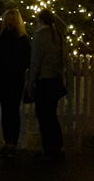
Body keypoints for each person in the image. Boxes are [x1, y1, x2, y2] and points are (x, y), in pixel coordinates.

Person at [27, 9, 66, 161]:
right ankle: (57, 146)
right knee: (52, 115)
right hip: (55, 79)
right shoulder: (58, 35)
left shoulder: (40, 35)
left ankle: (48, 148)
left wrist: (31, 81)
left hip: (44, 80)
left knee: (43, 115)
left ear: (40, 20)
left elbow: (36, 60)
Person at [0, 7, 31, 156]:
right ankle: (8, 140)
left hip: (14, 77)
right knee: (7, 109)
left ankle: (12, 142)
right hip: (6, 77)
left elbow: (26, 59)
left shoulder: (21, 38)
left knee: (13, 110)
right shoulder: (4, 36)